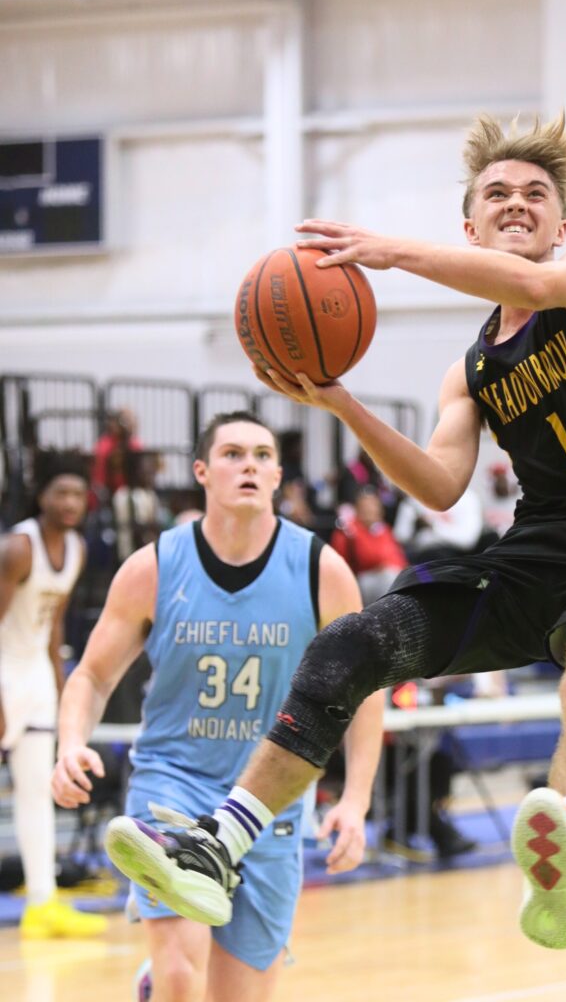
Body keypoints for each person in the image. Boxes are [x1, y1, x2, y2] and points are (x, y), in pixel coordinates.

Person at [100, 113, 566, 952]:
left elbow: (536, 288)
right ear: (471, 224)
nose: (516, 204)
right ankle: (216, 847)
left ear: (561, 226)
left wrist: (391, 253)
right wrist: (339, 401)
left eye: (535, 195)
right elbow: (440, 483)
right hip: (530, 550)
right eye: (497, 194)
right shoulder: (471, 367)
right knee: (351, 647)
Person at [52, 412, 385, 1002]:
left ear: (279, 474)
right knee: (182, 979)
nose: (249, 465)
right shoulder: (153, 567)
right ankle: (165, 979)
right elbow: (93, 676)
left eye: (261, 454)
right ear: (201, 472)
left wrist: (356, 800)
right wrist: (70, 743)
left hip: (268, 796)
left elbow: (363, 692)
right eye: (233, 454)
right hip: (172, 781)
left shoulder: (321, 570)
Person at [0, 452, 107, 939]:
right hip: (2, 674)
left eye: (76, 493)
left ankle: (42, 901)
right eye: (59, 492)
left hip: (37, 677)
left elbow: (55, 624)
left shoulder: (78, 549)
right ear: (40, 496)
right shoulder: (17, 548)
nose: (69, 502)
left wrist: (63, 691)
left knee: (36, 792)